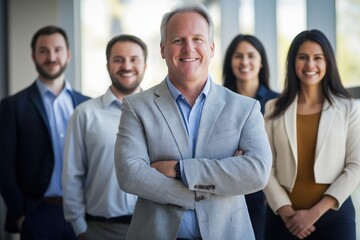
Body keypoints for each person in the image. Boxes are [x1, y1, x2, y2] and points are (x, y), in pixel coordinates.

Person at [114, 2, 272, 240]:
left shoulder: (245, 108)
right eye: (178, 40)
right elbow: (130, 174)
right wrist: (211, 188)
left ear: (211, 47)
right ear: (163, 49)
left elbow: (257, 172)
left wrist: (180, 169)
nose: (189, 48)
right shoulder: (136, 107)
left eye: (197, 39)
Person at [263, 29, 360, 240]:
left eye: (318, 58)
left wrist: (314, 213)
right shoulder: (273, 108)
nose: (310, 65)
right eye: (303, 57)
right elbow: (265, 165)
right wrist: (286, 212)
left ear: (328, 63)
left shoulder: (348, 108)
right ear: (293, 62)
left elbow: (356, 166)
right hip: (283, 218)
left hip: (334, 216)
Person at [0, 25, 90, 239]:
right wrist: (21, 215)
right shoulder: (12, 106)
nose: (51, 57)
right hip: (38, 214)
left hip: (85, 213)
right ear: (33, 56)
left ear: (67, 54)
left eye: (57, 50)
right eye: (44, 51)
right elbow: (4, 166)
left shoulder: (88, 105)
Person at [62, 34, 147, 240]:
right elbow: (72, 175)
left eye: (134, 59)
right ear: (108, 64)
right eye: (118, 59)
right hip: (100, 230)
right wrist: (80, 228)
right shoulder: (84, 114)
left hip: (151, 228)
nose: (126, 66)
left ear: (145, 65)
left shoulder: (160, 114)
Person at [223, 34, 279, 240]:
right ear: (230, 62)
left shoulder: (279, 102)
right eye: (238, 56)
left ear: (261, 61)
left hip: (266, 197)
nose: (244, 62)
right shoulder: (218, 101)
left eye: (250, 56)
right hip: (224, 191)